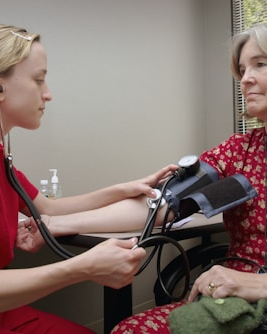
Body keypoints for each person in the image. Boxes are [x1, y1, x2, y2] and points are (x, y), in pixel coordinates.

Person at [0, 23, 179, 333]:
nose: (48, 94)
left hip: (0, 315)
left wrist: (123, 188)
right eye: (38, 80)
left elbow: (48, 209)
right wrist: (82, 267)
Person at [109, 22, 267, 333]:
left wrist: (258, 284)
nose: (245, 79)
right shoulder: (241, 152)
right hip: (225, 299)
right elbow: (164, 206)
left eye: (260, 64)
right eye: (241, 69)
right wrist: (57, 223)